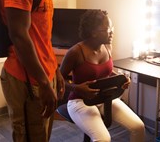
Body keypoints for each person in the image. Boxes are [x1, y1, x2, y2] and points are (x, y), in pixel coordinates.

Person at [0, 0, 70, 142]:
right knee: (28, 137)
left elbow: (40, 35)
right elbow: (19, 36)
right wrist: (42, 81)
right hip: (26, 78)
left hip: (42, 74)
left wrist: (55, 71)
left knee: (41, 135)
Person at [58, 10, 145, 142]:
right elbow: (58, 80)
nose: (112, 32)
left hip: (105, 98)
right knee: (103, 139)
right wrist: (77, 88)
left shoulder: (107, 47)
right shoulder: (75, 52)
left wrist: (120, 78)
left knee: (138, 127)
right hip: (80, 102)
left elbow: (107, 72)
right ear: (93, 32)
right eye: (107, 29)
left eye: (112, 28)